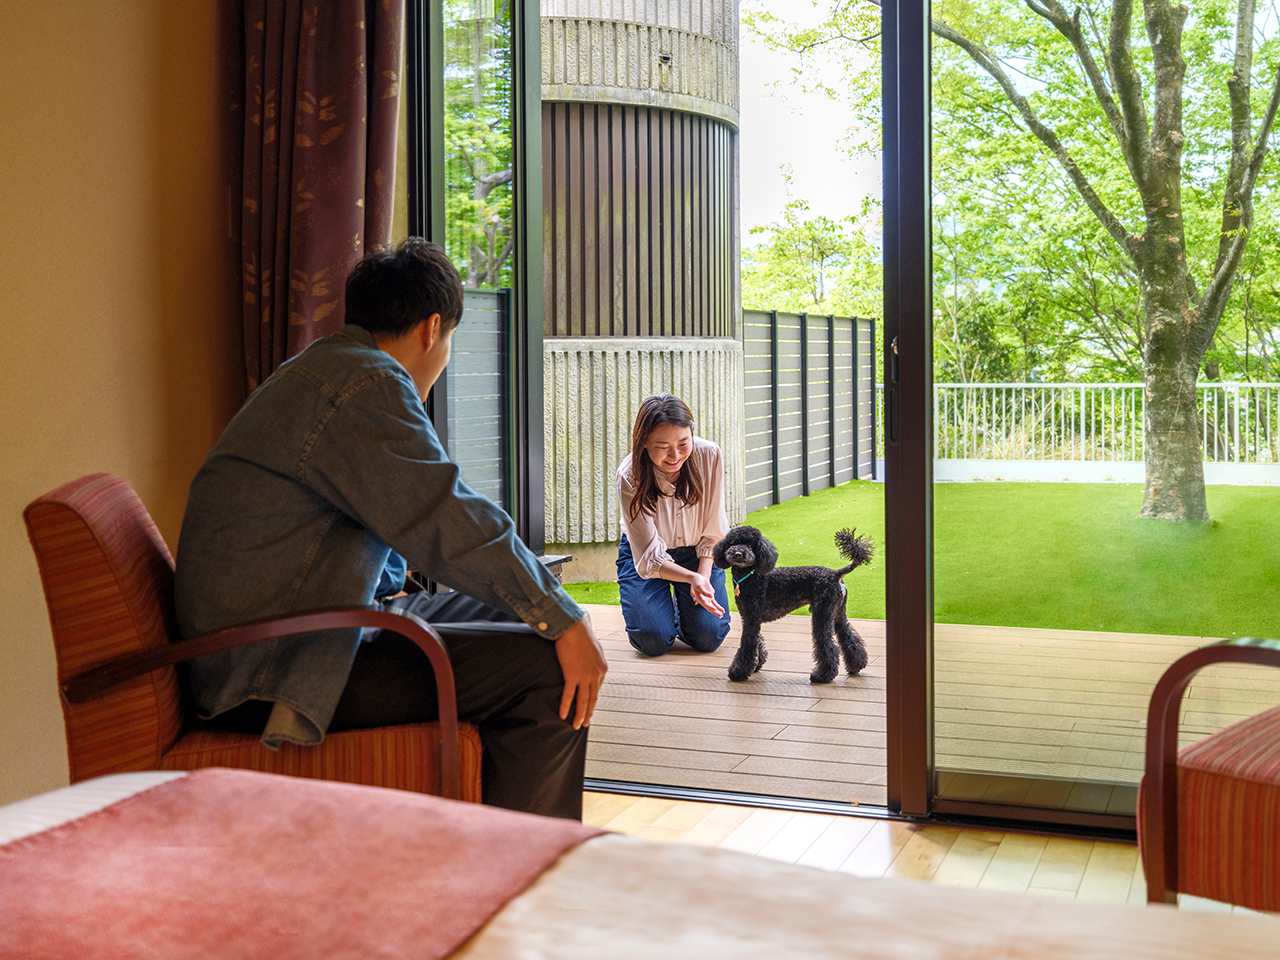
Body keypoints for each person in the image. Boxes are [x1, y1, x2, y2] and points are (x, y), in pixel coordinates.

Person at [173, 238, 607, 820]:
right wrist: (565, 618)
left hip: (286, 637)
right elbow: (446, 515)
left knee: (522, 619)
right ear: (432, 330)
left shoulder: (325, 369)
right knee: (545, 670)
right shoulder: (363, 385)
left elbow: (423, 512)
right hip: (274, 669)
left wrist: (547, 612)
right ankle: (521, 884)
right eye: (450, 339)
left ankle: (493, 858)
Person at [615, 394, 731, 656]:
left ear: (692, 434)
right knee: (652, 641)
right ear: (643, 441)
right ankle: (668, 609)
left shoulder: (709, 455)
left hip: (696, 554)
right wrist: (692, 579)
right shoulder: (629, 475)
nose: (675, 455)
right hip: (646, 556)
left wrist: (701, 574)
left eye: (683, 442)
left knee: (708, 637)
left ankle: (679, 609)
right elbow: (647, 556)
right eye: (662, 446)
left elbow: (714, 527)